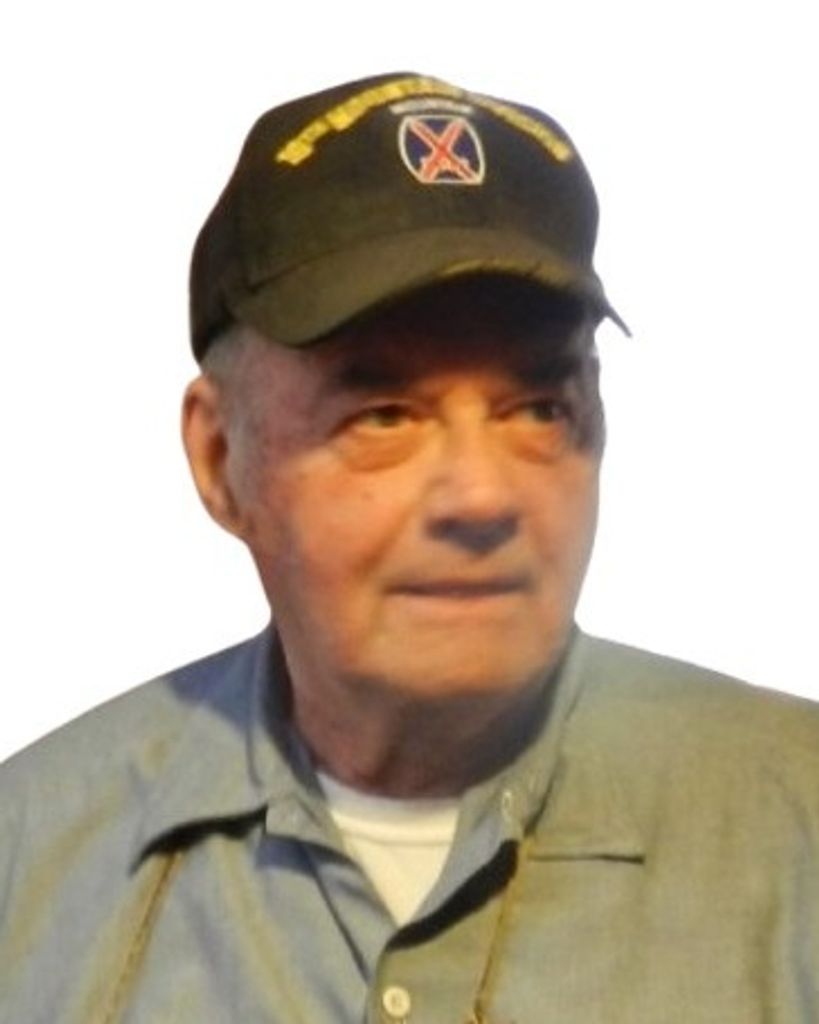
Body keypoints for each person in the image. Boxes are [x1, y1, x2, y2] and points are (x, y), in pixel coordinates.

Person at [1, 71, 818, 1023]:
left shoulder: (795, 832)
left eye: (538, 409)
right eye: (383, 414)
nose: (481, 495)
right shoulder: (32, 864)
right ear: (221, 460)